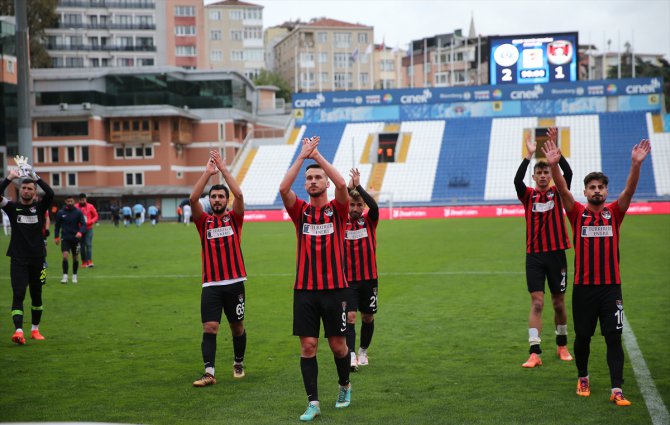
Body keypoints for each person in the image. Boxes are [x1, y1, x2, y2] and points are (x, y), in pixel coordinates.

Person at [542, 137, 651, 407]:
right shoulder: (577, 213)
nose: (597, 191)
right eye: (592, 187)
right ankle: (583, 377)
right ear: (586, 191)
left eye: (601, 187)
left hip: (611, 288)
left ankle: (616, 389)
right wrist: (555, 167)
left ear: (605, 190)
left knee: (614, 337)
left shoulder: (614, 213)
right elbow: (564, 192)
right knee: (583, 337)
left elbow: (629, 190)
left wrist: (636, 164)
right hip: (584, 288)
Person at [279, 136, 352, 421]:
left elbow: (344, 186)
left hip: (335, 290)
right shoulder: (300, 211)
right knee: (308, 345)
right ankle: (313, 403)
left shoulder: (338, 209)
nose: (312, 181)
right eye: (309, 178)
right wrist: (301, 157)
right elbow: (283, 188)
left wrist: (318, 156)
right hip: (305, 290)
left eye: (317, 177)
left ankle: (345, 385)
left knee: (338, 346)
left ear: (326, 183)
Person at [514, 128, 573, 368]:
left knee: (558, 302)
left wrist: (556, 152)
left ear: (550, 174)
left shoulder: (558, 193)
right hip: (534, 256)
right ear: (534, 176)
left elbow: (567, 172)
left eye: (545, 172)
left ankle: (562, 345)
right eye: (538, 172)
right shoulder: (527, 195)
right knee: (537, 302)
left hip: (557, 254)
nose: (541, 175)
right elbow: (517, 180)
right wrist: (528, 156)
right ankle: (534, 352)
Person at [190, 150, 248, 388]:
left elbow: (240, 194)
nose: (216, 200)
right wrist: (207, 173)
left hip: (235, 283)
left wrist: (223, 169)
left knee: (237, 328)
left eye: (220, 197)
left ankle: (238, 362)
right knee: (210, 327)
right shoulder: (203, 222)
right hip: (211, 285)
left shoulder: (235, 218)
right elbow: (193, 199)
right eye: (213, 197)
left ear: (226, 201)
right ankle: (209, 373)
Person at [0, 167, 54, 344]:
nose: (26, 190)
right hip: (18, 259)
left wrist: (35, 177)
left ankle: (35, 330)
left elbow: (51, 193)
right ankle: (19, 330)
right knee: (19, 293)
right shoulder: (12, 207)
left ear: (34, 192)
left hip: (39, 259)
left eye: (30, 188)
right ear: (20, 190)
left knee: (37, 295)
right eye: (24, 188)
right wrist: (9, 178)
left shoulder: (39, 208)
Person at [344, 168, 379, 371]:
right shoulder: (341, 221)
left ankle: (363, 351)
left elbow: (374, 205)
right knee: (350, 317)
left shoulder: (369, 220)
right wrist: (350, 188)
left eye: (359, 205)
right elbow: (340, 199)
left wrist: (358, 186)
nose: (355, 208)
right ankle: (350, 355)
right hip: (347, 280)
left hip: (369, 278)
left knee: (368, 317)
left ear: (363, 206)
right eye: (352, 204)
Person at [54, 195, 86, 284]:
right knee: (65, 256)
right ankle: (65, 276)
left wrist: (80, 232)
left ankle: (75, 275)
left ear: (74, 202)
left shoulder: (78, 212)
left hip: (75, 239)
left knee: (75, 258)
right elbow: (57, 226)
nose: (70, 203)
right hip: (65, 238)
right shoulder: (61, 212)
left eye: (71, 201)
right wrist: (56, 236)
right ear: (65, 202)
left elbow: (83, 224)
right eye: (68, 201)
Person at [76, 193, 98, 268]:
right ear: (79, 200)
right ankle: (84, 262)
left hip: (89, 228)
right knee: (82, 246)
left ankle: (89, 261)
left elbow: (96, 216)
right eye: (81, 200)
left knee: (88, 245)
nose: (82, 201)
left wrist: (91, 221)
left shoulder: (90, 206)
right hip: (79, 229)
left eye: (84, 200)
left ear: (86, 199)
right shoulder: (76, 207)